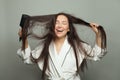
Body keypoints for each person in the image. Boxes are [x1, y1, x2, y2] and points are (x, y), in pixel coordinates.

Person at [17, 12, 107, 80]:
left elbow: (97, 55)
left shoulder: (78, 45)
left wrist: (98, 35)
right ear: (53, 26)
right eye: (57, 22)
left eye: (64, 23)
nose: (60, 26)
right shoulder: (44, 46)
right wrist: (24, 38)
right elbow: (27, 58)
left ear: (68, 29)